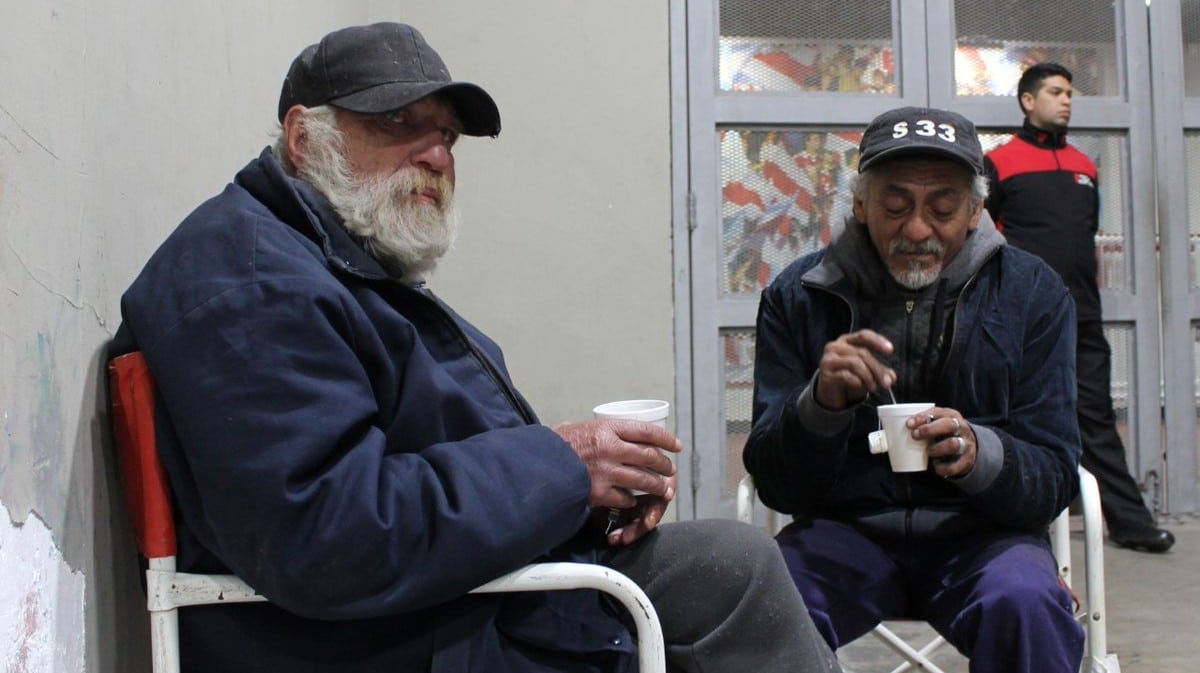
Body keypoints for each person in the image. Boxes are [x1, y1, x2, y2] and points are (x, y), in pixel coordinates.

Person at [109, 21, 841, 673]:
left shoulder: (324, 259)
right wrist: (563, 465)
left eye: (447, 136)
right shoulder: (247, 279)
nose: (435, 153)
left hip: (441, 601)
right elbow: (326, 534)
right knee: (735, 571)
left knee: (729, 568)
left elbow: (411, 464)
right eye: (399, 121)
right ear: (303, 138)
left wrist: (581, 497)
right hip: (387, 636)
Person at [743, 106, 1086, 673]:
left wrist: (981, 453)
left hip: (984, 537)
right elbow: (778, 486)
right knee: (762, 610)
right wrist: (821, 407)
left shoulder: (1032, 294)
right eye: (895, 206)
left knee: (1027, 602)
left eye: (944, 208)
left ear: (976, 211)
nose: (918, 229)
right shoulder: (799, 294)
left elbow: (1053, 476)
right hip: (844, 534)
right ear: (859, 205)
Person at [984, 62, 1174, 553]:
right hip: (1023, 316)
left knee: (1096, 417)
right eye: (1055, 92)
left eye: (1069, 92)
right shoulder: (1000, 162)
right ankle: (1016, 525)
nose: (1066, 100)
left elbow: (1082, 238)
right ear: (1028, 101)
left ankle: (1130, 523)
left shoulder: (1085, 167)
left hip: (1083, 315)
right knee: (1015, 417)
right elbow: (982, 238)